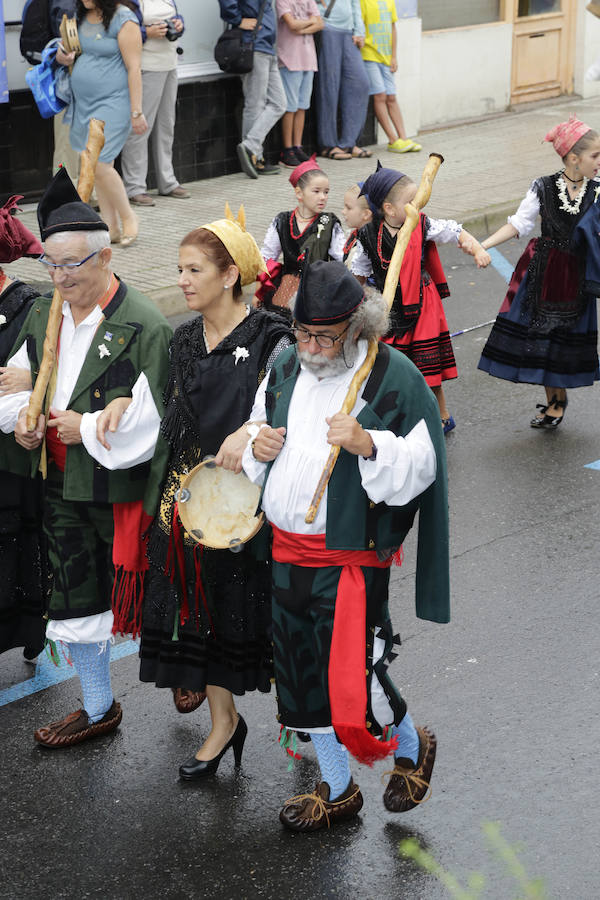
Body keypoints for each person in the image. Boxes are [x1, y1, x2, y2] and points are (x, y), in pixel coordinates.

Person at [241, 260, 450, 831]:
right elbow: (257, 427)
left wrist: (369, 443)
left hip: (349, 559)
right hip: (286, 548)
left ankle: (410, 743)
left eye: (323, 337)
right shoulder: (285, 365)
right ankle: (337, 787)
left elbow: (424, 464)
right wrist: (259, 448)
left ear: (356, 329)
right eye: (302, 332)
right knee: (300, 673)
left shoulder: (392, 377)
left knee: (355, 674)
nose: (309, 347)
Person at [0, 168, 171, 746]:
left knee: (146, 591)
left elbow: (155, 421)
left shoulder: (142, 323)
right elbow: (16, 385)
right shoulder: (40, 313)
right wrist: (22, 421)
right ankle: (98, 708)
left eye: (71, 264)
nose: (58, 276)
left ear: (103, 259)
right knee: (75, 595)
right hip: (57, 482)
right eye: (50, 264)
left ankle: (190, 679)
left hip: (120, 487)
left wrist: (89, 428)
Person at [134, 207, 292, 778]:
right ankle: (223, 722)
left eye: (194, 269)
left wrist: (251, 432)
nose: (182, 280)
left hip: (250, 499)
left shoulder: (275, 335)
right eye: (180, 269)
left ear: (230, 276)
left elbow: (286, 413)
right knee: (198, 611)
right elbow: (171, 418)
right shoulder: (181, 340)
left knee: (247, 611)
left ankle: (310, 722)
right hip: (192, 496)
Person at [478, 116, 600, 428]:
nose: (599, 162)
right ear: (574, 158)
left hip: (579, 275)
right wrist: (484, 244)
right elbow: (519, 223)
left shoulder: (598, 190)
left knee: (565, 337)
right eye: (595, 156)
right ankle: (555, 400)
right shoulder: (543, 187)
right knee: (543, 334)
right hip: (544, 272)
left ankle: (558, 399)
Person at [350, 163, 491, 433]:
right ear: (389, 209)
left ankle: (442, 414)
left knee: (427, 368)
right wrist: (353, 304)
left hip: (422, 304)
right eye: (411, 201)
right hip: (388, 308)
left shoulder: (422, 223)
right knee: (390, 365)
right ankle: (394, 415)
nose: (419, 203)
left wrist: (477, 249)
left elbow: (454, 231)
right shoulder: (367, 236)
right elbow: (359, 274)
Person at [56, 0, 148, 247]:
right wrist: (62, 56)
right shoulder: (80, 16)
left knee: (100, 162)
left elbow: (134, 67)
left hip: (114, 101)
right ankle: (112, 227)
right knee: (96, 166)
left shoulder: (124, 17)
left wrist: (137, 111)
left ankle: (129, 218)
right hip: (83, 104)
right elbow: (66, 50)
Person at [0, 197, 48, 662]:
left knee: (15, 545)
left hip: (13, 456)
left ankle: (30, 629)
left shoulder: (28, 306)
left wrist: (33, 381)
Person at [121, 0, 190, 207]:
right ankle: (134, 187)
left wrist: (179, 24)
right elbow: (122, 32)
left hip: (170, 64)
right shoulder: (131, 2)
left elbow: (177, 16)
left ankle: (167, 182)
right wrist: (147, 32)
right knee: (141, 127)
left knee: (166, 126)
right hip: (146, 67)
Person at [256, 157, 344, 313]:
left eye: (326, 192)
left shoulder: (330, 222)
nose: (323, 197)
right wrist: (258, 292)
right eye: (316, 191)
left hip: (319, 286)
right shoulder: (282, 220)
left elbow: (341, 259)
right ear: (299, 193)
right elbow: (267, 259)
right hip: (286, 286)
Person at [218, 0, 286, 179]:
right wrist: (238, 20)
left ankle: (251, 146)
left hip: (267, 46)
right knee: (254, 104)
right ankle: (255, 158)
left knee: (279, 103)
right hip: (253, 44)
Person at [359, 0, 420, 154]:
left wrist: (394, 56)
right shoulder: (363, 2)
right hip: (369, 56)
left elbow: (393, 28)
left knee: (391, 97)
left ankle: (403, 138)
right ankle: (393, 140)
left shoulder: (389, 2)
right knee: (380, 95)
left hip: (386, 58)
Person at [314, 0, 371, 161]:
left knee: (361, 84)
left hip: (349, 32)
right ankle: (328, 145)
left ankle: (348, 142)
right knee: (329, 87)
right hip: (327, 28)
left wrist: (359, 30)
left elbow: (355, 5)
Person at [275, 0, 323, 169]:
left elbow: (320, 24)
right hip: (289, 59)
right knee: (290, 107)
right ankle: (287, 150)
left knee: (302, 106)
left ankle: (298, 146)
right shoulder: (282, 1)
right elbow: (292, 24)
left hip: (308, 59)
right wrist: (311, 21)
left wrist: (301, 26)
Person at [341, 181, 372, 266]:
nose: (343, 211)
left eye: (348, 208)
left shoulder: (369, 245)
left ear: (366, 214)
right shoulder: (358, 234)